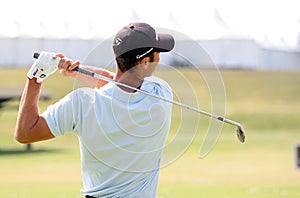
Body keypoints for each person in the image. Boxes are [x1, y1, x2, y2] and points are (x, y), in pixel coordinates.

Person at [15, 22, 175, 197]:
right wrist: (76, 72)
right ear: (144, 62)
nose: (159, 59)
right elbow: (118, 83)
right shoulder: (160, 93)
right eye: (157, 54)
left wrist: (36, 77)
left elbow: (25, 132)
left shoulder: (82, 103)